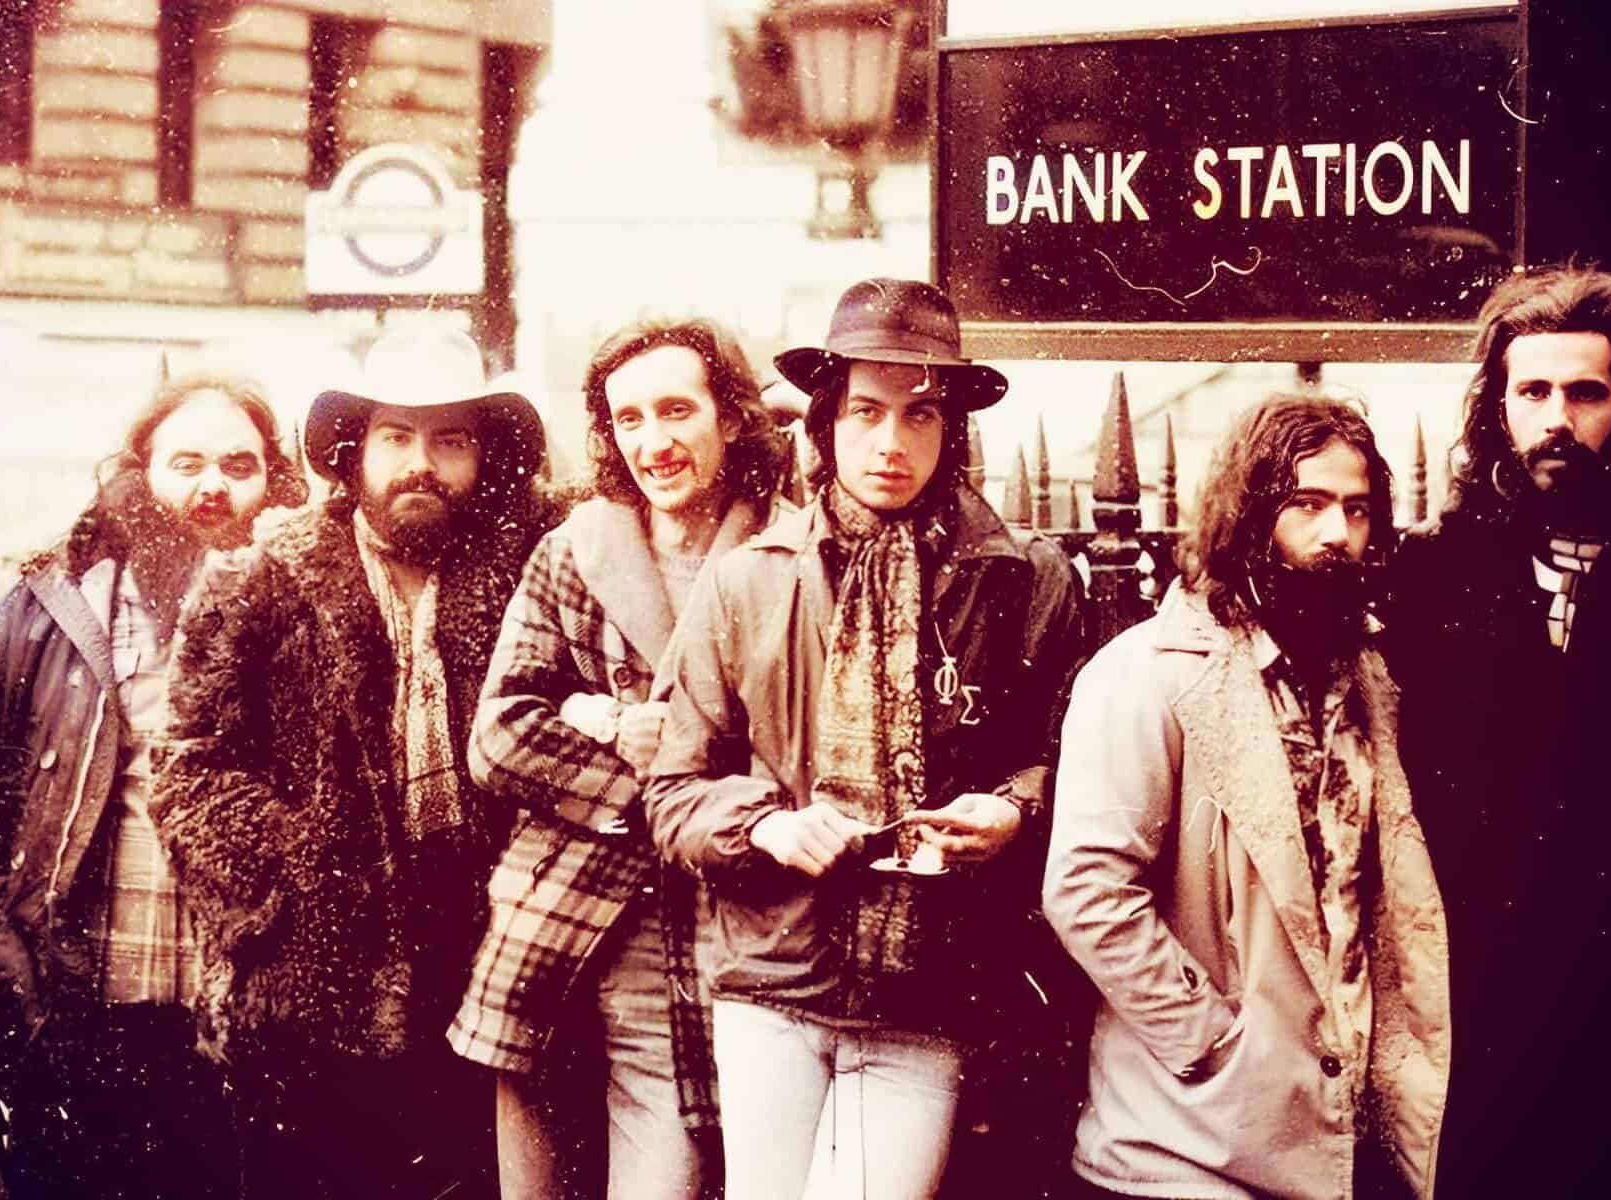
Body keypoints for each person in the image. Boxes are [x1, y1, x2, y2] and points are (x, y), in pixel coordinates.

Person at [643, 278, 1086, 1200]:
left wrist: (1011, 810)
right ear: (825, 422)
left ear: (952, 429)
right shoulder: (747, 583)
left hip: (928, 986)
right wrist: (761, 826)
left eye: (920, 416)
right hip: (773, 977)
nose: (891, 443)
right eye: (866, 412)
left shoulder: (1022, 579)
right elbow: (674, 789)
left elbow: (1078, 769)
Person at [150, 327, 555, 1200]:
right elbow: (188, 768)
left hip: (485, 961)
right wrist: (298, 880)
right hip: (312, 986)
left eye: (450, 440)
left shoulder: (534, 567)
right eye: (397, 438)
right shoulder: (259, 576)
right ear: (355, 450)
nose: (422, 464)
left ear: (483, 455)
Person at [1045, 396, 1452, 1200]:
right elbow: (1087, 891)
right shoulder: (1149, 670)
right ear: (1247, 512)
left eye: (1356, 509)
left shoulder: (1364, 677)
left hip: (1325, 1131)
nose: (1336, 532)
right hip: (1183, 1145)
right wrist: (1214, 1044)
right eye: (1305, 504)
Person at [1386, 266, 1611, 1196]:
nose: (1556, 417)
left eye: (1585, 392)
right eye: (1531, 391)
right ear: (1497, 407)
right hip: (1486, 989)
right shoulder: (1438, 570)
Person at [0, 373, 306, 1199]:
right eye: (187, 463)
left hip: (240, 1014)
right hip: (75, 1002)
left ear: (274, 480)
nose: (213, 486)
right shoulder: (54, 607)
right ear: (140, 474)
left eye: (239, 465)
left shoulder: (305, 603)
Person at [448, 318, 790, 1199]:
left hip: (727, 911)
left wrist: (669, 759)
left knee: (692, 1160)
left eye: (677, 411)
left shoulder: (789, 552)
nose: (654, 442)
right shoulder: (575, 549)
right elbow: (500, 736)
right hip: (568, 915)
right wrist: (629, 763)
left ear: (731, 419)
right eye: (628, 418)